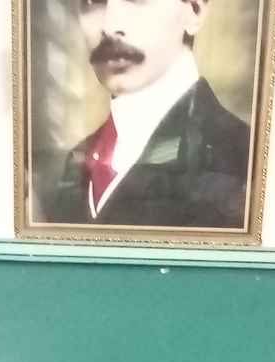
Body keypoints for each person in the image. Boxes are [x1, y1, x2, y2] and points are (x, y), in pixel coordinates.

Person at [47, 0, 250, 229]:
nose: (110, 26)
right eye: (93, 1)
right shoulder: (76, 164)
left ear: (194, 10)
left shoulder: (241, 160)